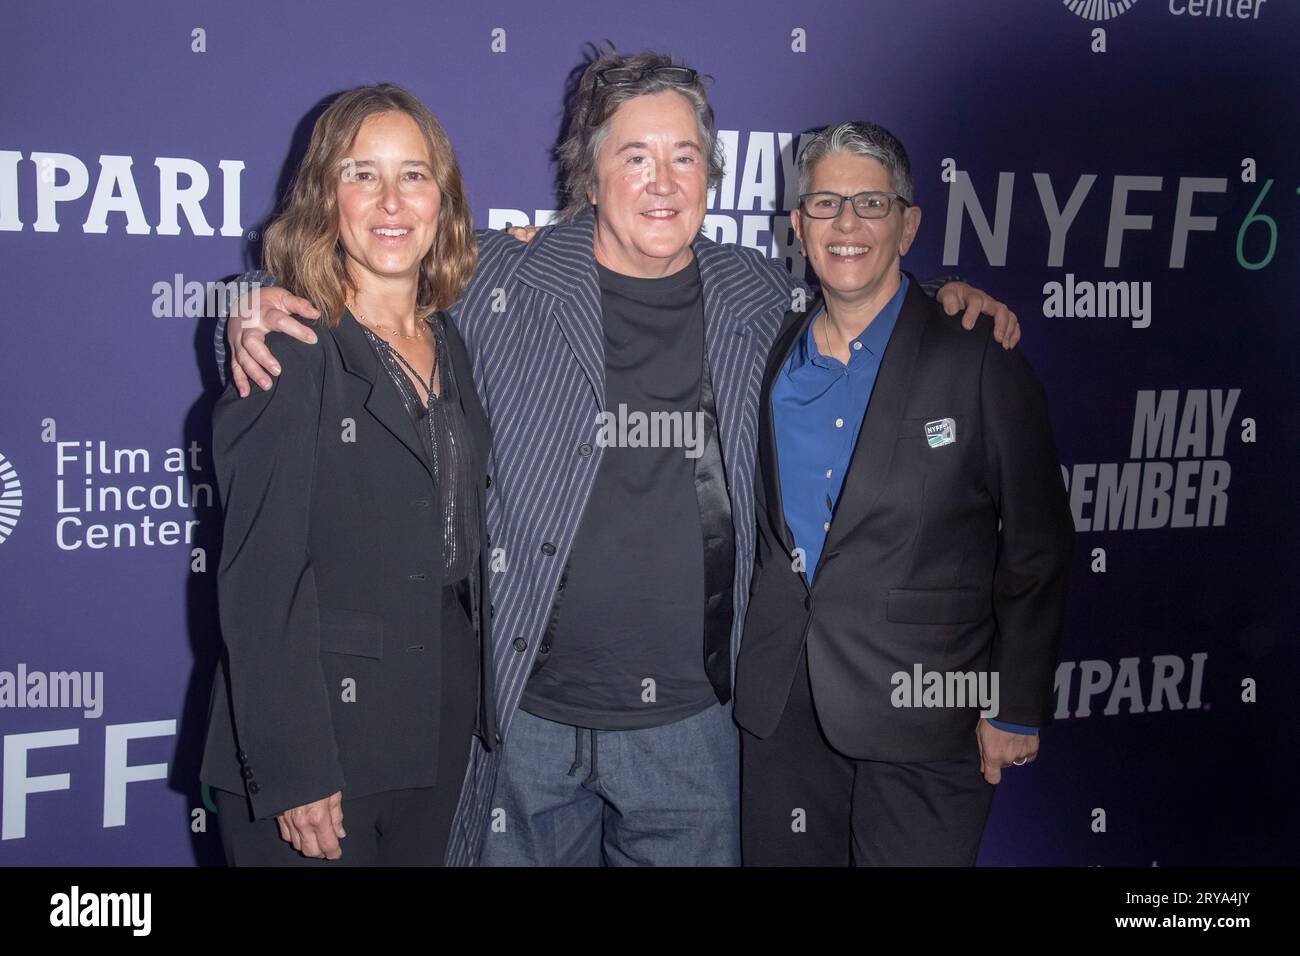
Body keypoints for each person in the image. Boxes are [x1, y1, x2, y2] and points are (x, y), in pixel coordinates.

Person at [215, 49, 1020, 867]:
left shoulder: (762, 295)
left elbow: (866, 297)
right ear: (589, 177)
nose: (662, 181)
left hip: (695, 729)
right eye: (634, 156)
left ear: (711, 175)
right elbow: (372, 277)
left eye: (684, 157)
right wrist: (255, 311)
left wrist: (946, 298)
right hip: (522, 726)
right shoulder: (502, 277)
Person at [735, 121, 1074, 866]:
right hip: (782, 709)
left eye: (871, 204)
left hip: (928, 716)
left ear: (908, 223)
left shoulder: (978, 354)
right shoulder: (768, 346)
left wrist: (1015, 705)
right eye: (825, 205)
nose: (847, 224)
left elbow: (1038, 544)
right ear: (798, 226)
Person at [200, 84, 496, 865]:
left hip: (432, 729)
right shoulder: (289, 343)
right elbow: (259, 575)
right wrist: (295, 768)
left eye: (415, 175)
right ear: (324, 195)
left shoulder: (450, 339)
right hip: (319, 744)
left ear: (445, 198)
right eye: (362, 174)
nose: (391, 201)